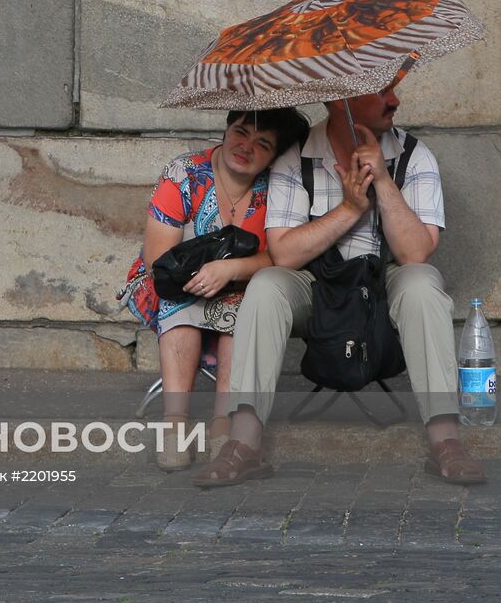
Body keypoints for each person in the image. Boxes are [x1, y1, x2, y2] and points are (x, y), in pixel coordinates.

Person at [197, 86, 487, 487]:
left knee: (422, 283)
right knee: (266, 286)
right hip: (318, 284)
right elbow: (284, 253)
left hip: (385, 283)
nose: (394, 101)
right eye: (381, 93)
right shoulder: (296, 157)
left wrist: (383, 182)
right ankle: (244, 443)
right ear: (339, 102)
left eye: (393, 91)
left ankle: (446, 441)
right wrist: (349, 209)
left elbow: (417, 252)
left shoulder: (414, 155)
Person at [118, 108, 309, 472]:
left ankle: (225, 424)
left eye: (263, 143)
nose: (246, 146)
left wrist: (232, 269)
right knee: (182, 306)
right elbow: (160, 262)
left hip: (243, 284)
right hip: (172, 280)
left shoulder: (280, 187)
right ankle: (175, 425)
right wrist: (204, 276)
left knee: (247, 309)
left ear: (274, 155)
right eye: (241, 132)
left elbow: (283, 256)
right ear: (226, 128)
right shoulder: (184, 174)